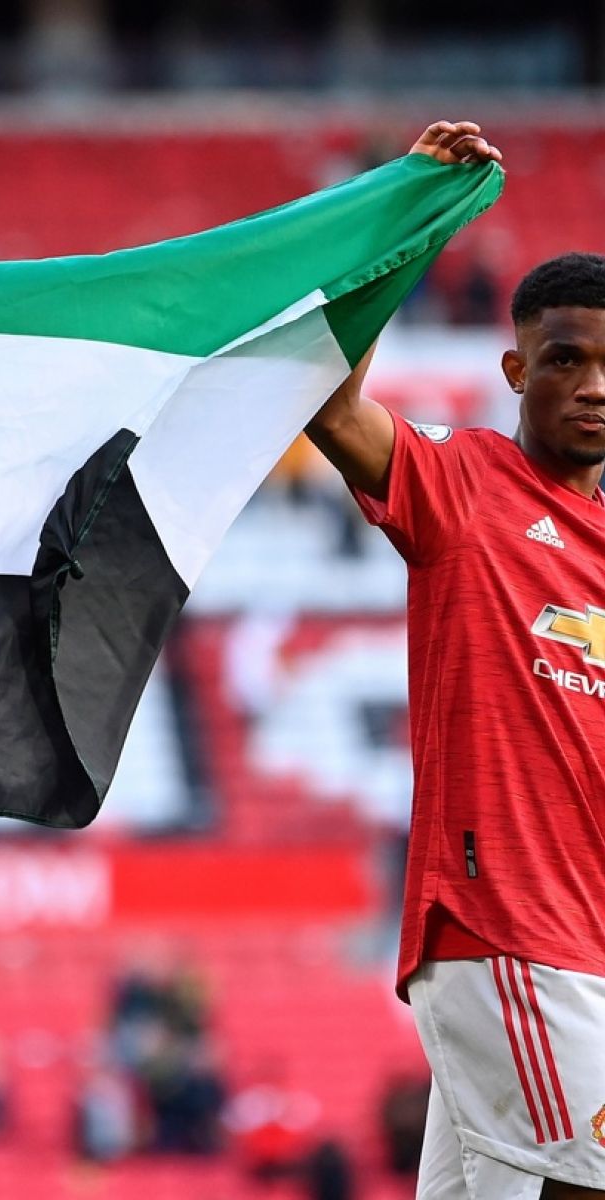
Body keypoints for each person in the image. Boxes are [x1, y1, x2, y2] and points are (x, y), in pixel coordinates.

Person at [306, 119, 605, 1199]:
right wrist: (399, 219)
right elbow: (330, 406)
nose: (594, 384)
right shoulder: (467, 486)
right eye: (567, 359)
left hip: (585, 947)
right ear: (517, 367)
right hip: (509, 934)